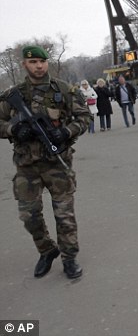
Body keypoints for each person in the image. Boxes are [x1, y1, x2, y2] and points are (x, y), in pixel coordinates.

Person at [0, 45, 91, 279]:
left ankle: (69, 258)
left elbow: (84, 117)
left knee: (64, 216)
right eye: (33, 62)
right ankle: (47, 250)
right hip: (26, 165)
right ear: (24, 65)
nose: (38, 66)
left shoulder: (63, 90)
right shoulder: (13, 95)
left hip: (57, 164)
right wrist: (13, 129)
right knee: (28, 215)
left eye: (42, 61)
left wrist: (67, 132)